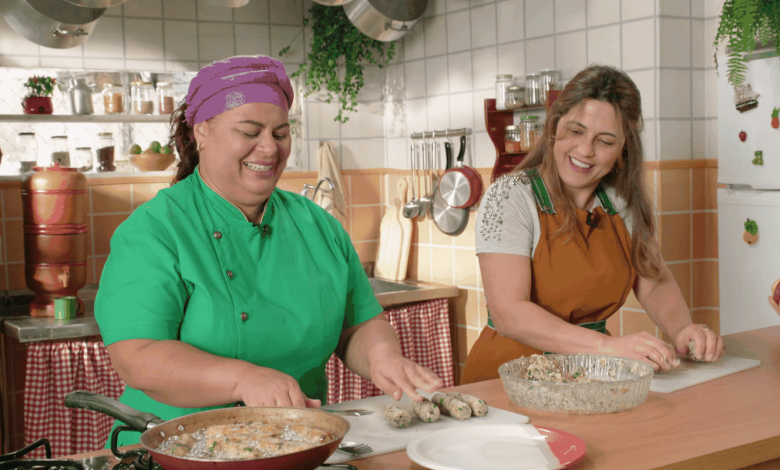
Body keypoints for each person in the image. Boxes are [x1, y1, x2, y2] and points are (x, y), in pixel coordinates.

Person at [95, 55, 442, 445]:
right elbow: (137, 356)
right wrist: (244, 379)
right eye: (249, 131)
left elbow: (358, 325)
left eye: (281, 133)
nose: (269, 148)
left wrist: (382, 357)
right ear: (201, 132)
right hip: (174, 449)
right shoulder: (155, 229)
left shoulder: (317, 224)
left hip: (295, 443)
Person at [462, 65, 726, 384]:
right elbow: (509, 314)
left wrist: (682, 329)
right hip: (508, 379)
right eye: (576, 131)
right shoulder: (509, 196)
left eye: (605, 141)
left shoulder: (620, 202)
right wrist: (608, 347)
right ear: (554, 126)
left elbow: (653, 281)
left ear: (624, 148)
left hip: (590, 376)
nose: (586, 150)